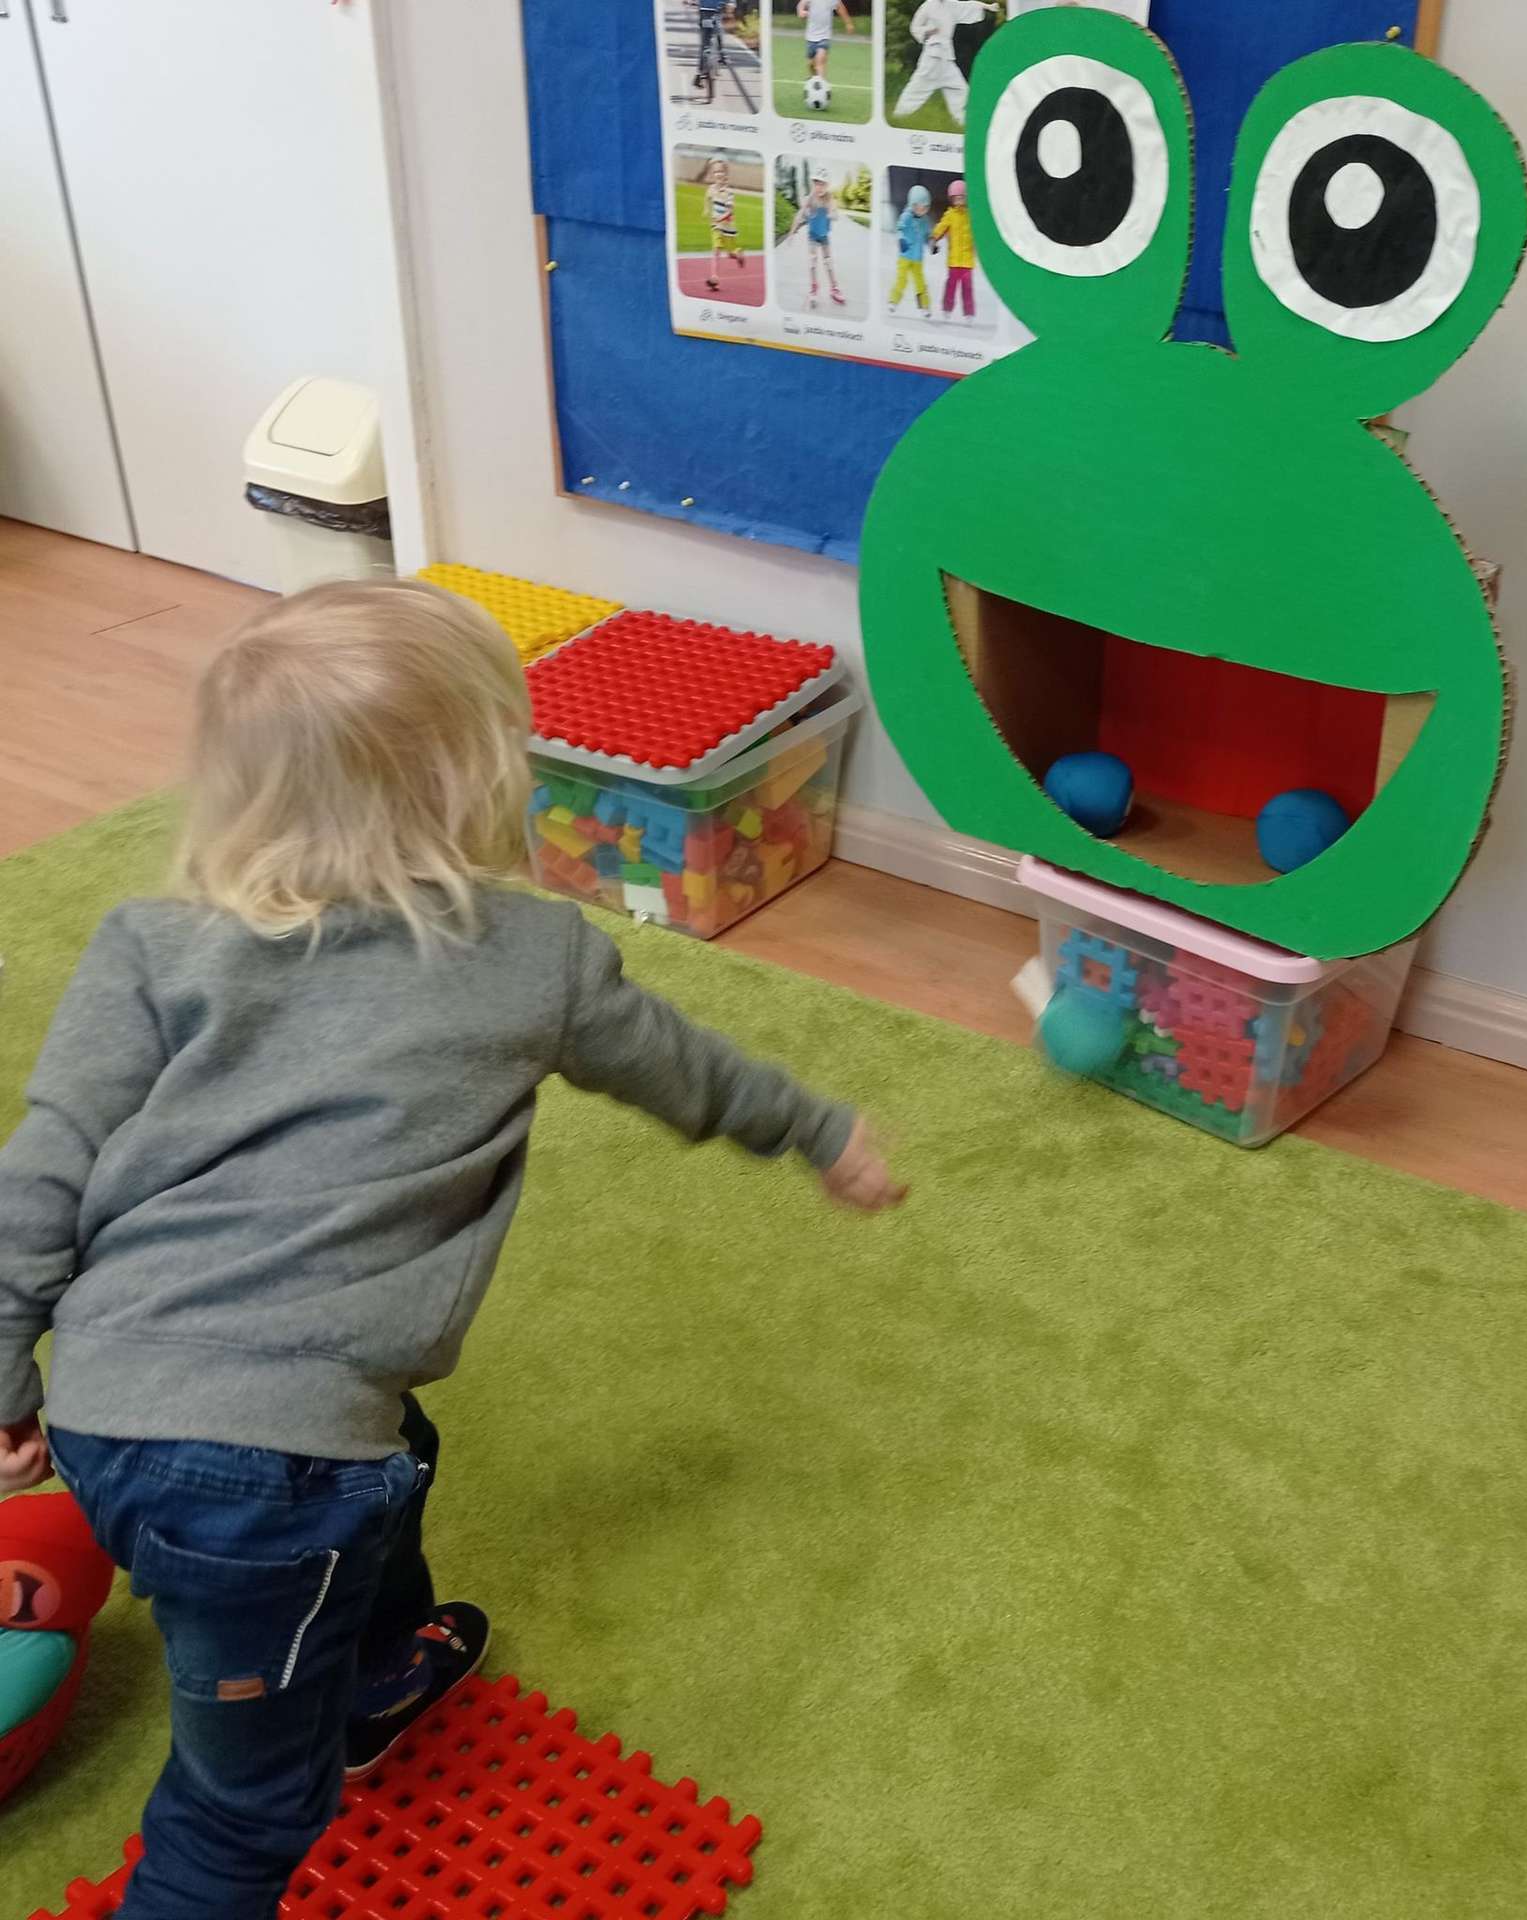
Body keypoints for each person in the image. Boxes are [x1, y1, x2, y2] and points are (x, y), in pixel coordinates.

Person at [0, 579, 903, 1919]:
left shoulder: (147, 941)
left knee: (396, 1450)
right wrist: (819, 1132)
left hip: (105, 1405)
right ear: (480, 783)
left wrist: (6, 1381)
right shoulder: (533, 955)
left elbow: (43, 1166)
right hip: (273, 1490)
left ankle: (368, 1668)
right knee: (245, 1817)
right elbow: (680, 1068)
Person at [894, 0, 999, 129]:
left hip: (947, 59)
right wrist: (928, 30)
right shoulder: (928, 6)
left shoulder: (952, 5)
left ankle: (965, 123)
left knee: (960, 90)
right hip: (932, 57)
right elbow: (915, 27)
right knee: (917, 88)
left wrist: (987, 6)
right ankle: (900, 116)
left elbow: (968, 6)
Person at [790, 168, 847, 310]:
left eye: (823, 184)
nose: (819, 187)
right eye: (817, 184)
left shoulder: (829, 199)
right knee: (812, 261)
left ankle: (834, 288)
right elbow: (799, 215)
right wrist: (792, 233)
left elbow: (835, 213)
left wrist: (832, 214)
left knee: (828, 262)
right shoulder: (810, 198)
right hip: (812, 236)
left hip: (824, 236)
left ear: (827, 185)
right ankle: (814, 288)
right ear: (813, 184)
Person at [932, 176, 977, 321]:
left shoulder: (971, 215)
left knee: (967, 287)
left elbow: (978, 231)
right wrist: (934, 237)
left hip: (967, 261)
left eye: (962, 198)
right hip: (954, 260)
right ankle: (947, 308)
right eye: (956, 198)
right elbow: (942, 226)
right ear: (951, 199)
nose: (959, 201)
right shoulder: (950, 215)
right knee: (951, 285)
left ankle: (969, 312)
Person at [890, 182, 935, 316]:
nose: (921, 210)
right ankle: (893, 301)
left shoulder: (925, 221)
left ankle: (924, 306)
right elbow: (899, 229)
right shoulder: (906, 216)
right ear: (912, 204)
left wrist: (932, 244)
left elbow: (927, 236)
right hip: (905, 255)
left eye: (924, 208)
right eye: (918, 207)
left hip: (917, 258)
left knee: (920, 283)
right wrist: (901, 239)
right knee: (902, 279)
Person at [703, 155, 747, 292]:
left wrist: (720, 218)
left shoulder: (729, 193)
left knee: (730, 254)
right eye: (715, 172)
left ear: (726, 174)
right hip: (716, 226)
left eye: (721, 171)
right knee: (716, 250)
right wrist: (706, 209)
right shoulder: (711, 189)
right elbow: (707, 197)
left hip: (728, 227)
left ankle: (738, 254)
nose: (718, 174)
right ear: (712, 174)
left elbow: (730, 212)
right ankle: (714, 278)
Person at [800, 0, 854, 92]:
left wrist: (848, 23)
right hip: (811, 37)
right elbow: (801, 4)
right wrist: (801, 11)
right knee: (811, 64)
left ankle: (822, 88)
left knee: (820, 60)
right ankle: (813, 78)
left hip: (824, 36)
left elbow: (840, 8)